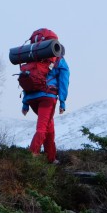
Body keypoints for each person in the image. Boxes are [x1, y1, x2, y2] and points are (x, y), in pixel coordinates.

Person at [20, 28, 70, 163]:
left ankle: (51, 158)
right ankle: (31, 155)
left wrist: (25, 103)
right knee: (42, 127)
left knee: (49, 127)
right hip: (47, 99)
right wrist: (63, 103)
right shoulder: (60, 61)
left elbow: (27, 81)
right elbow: (63, 82)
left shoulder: (33, 60)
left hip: (31, 99)